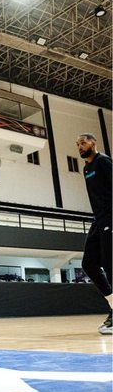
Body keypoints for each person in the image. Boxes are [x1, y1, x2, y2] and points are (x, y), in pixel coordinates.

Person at [76, 133, 112, 335]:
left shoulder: (103, 161)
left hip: (111, 217)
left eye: (83, 143)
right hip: (98, 220)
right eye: (77, 144)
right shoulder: (86, 168)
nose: (80, 146)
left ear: (93, 143)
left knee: (110, 264)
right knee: (88, 263)